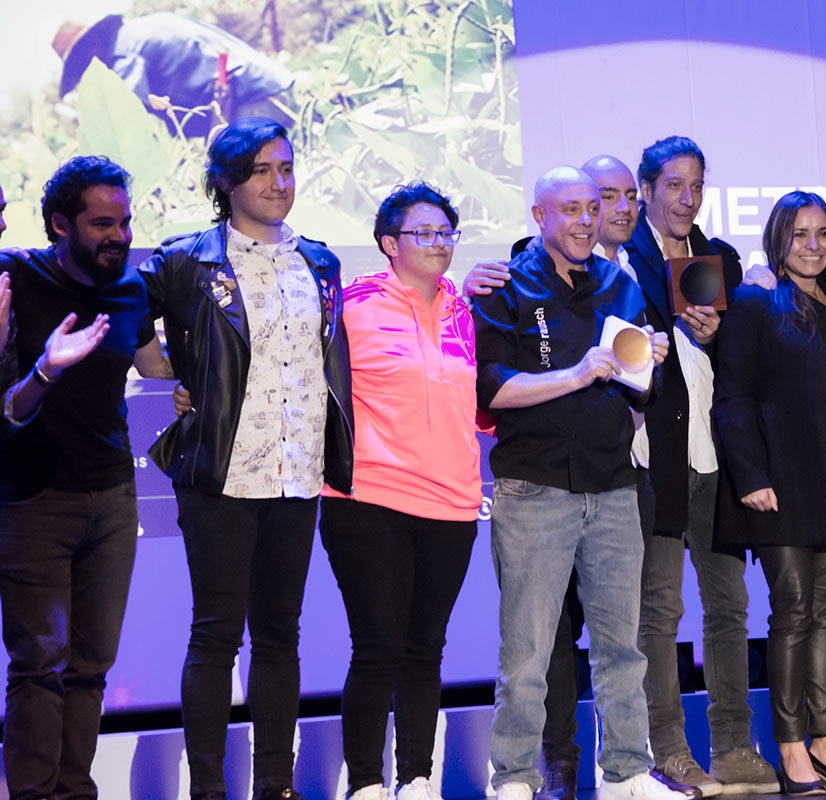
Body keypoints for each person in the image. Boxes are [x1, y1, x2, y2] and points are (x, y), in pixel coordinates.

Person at [139, 117, 354, 800]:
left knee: (281, 636)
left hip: (297, 472)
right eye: (262, 170)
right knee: (215, 635)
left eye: (286, 168)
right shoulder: (187, 259)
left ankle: (275, 785)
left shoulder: (319, 260)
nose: (278, 182)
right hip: (220, 474)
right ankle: (208, 788)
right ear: (228, 180)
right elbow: (126, 312)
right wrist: (167, 371)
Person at [472, 165, 675, 800]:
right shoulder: (505, 284)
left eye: (593, 208)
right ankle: (513, 776)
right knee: (527, 651)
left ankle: (627, 772)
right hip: (533, 488)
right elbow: (491, 390)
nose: (587, 221)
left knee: (623, 648)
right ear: (540, 216)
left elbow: (639, 394)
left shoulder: (621, 284)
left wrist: (649, 364)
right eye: (572, 209)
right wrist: (578, 373)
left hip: (613, 484)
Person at [0, 158, 171, 800]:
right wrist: (45, 369)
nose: (119, 236)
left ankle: (75, 790)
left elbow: (155, 365)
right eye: (102, 224)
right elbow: (7, 408)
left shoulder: (130, 288)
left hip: (113, 497)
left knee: (92, 665)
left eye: (125, 222)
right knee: (39, 664)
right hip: (33, 499)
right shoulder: (15, 278)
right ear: (59, 224)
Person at [317, 182, 482, 800]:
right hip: (370, 500)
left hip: (453, 503)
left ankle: (416, 778)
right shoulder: (352, 305)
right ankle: (364, 783)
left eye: (446, 233)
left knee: (425, 650)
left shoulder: (467, 310)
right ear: (390, 244)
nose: (439, 243)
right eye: (424, 233)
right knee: (377, 647)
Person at [624, 136, 777, 797]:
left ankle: (735, 746)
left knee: (729, 606)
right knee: (659, 611)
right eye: (675, 186)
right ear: (646, 190)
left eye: (697, 186)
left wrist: (727, 330)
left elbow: (741, 363)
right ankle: (669, 751)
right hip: (654, 457)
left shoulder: (721, 260)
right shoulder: (622, 258)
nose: (687, 198)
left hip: (714, 456)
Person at [712, 191, 826, 795]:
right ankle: (790, 748)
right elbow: (733, 398)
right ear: (779, 241)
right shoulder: (755, 303)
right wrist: (751, 476)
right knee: (794, 610)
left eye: (823, 233)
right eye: (800, 234)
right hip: (784, 481)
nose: (813, 244)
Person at [53, 13, 292, 138]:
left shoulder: (124, 55)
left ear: (94, 42)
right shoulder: (143, 27)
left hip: (254, 106)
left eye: (81, 61)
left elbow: (127, 120)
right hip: (275, 88)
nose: (86, 71)